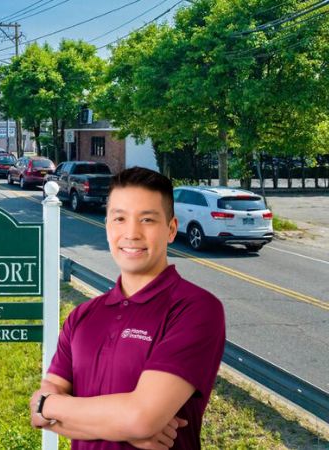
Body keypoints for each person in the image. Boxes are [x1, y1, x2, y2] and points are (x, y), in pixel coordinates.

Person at [31, 167, 225, 450]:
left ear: (171, 230)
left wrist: (53, 408)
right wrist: (125, 426)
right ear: (108, 226)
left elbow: (140, 419)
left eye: (147, 219)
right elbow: (38, 406)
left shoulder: (195, 309)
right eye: (120, 218)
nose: (131, 233)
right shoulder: (82, 316)